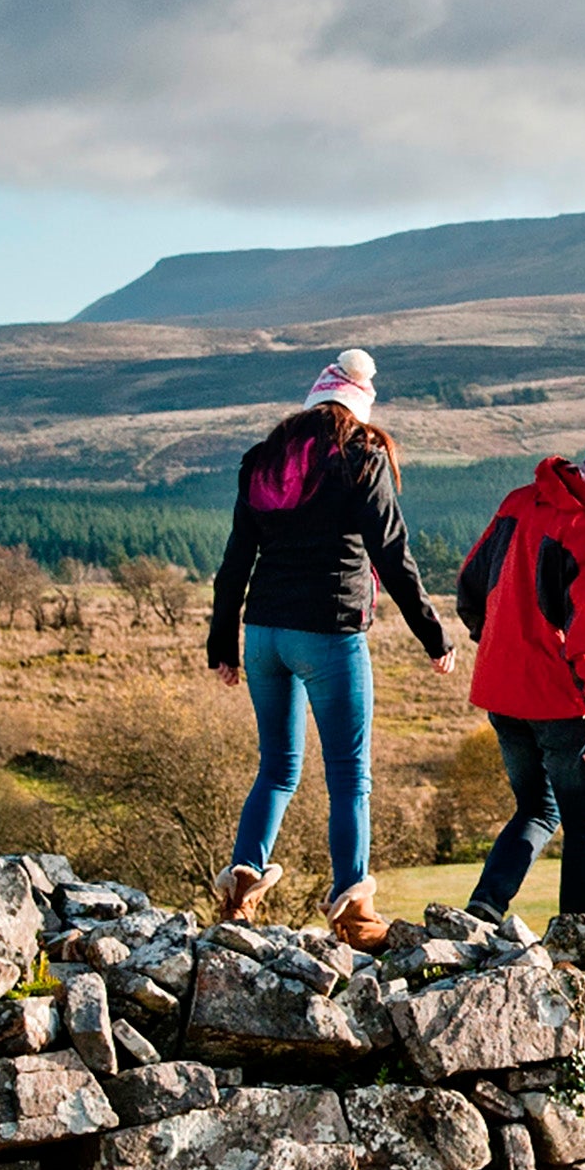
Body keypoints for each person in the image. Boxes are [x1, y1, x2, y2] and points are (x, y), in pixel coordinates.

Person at [206, 349, 456, 946]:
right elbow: (392, 556)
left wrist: (224, 645)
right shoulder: (362, 458)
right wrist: (434, 634)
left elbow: (235, 560)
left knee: (277, 769)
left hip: (264, 633)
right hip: (330, 633)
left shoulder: (263, 461)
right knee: (349, 776)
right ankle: (353, 915)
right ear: (359, 407)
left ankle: (240, 890)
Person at [454, 416, 585, 922]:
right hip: (559, 700)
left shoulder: (521, 500)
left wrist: (499, 645)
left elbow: (470, 583)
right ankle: (578, 944)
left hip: (500, 690)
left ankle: (483, 910)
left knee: (537, 808)